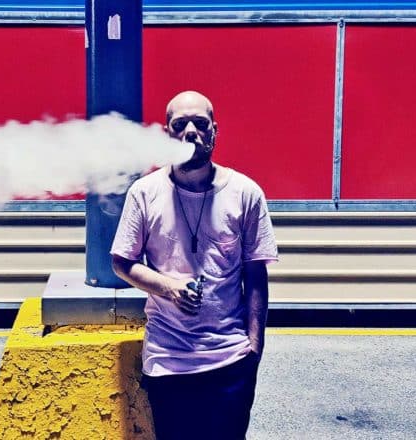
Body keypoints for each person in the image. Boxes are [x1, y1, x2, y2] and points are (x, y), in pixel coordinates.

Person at [110, 91, 278, 440]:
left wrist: (254, 349)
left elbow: (255, 274)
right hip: (167, 360)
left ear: (215, 131)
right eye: (180, 125)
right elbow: (121, 262)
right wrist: (167, 288)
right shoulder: (144, 192)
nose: (190, 132)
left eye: (200, 124)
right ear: (167, 133)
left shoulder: (245, 192)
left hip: (230, 359)